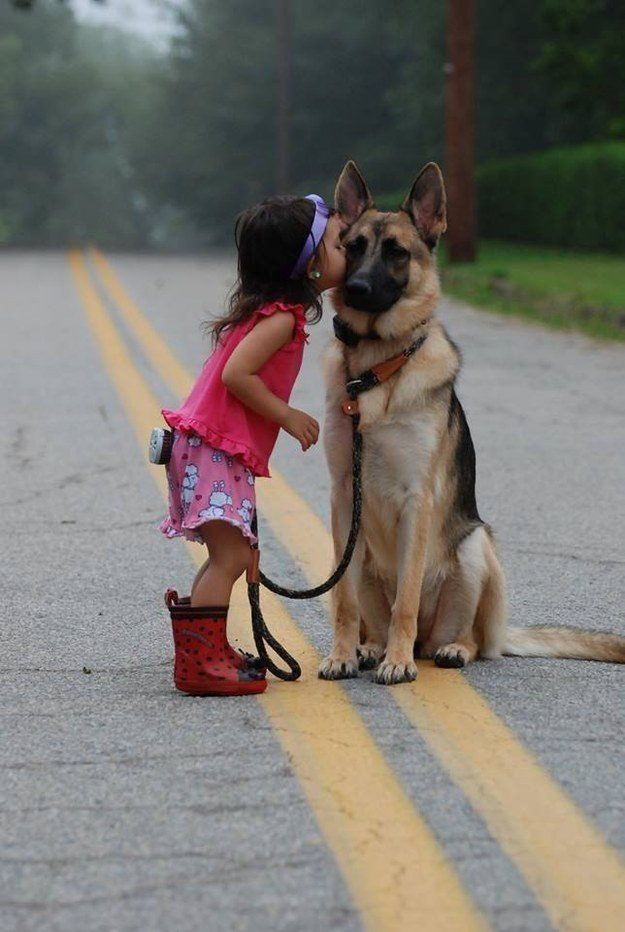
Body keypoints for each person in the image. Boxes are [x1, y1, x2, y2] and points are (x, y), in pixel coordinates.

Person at [158, 194, 346, 697]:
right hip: (212, 451)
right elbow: (239, 375)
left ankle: (206, 650)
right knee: (230, 559)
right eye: (338, 243)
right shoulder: (280, 320)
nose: (348, 249)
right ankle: (199, 664)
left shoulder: (270, 313)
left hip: (208, 450)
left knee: (232, 555)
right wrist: (286, 416)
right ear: (310, 267)